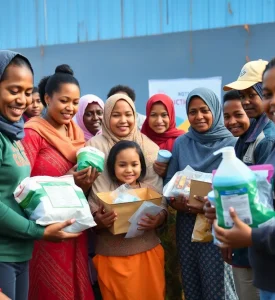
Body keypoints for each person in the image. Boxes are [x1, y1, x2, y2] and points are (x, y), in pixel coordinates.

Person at [213, 52, 275, 300]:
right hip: (273, 280)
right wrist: (225, 209)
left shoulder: (273, 137)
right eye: (268, 93)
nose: (273, 101)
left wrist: (252, 236)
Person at [0, 51, 80, 300]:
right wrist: (38, 232)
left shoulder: (15, 135)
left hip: (21, 253)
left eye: (26, 92)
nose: (22, 100)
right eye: (14, 90)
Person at [22, 64, 98, 300]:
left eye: (75, 102)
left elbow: (80, 186)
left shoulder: (75, 132)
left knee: (78, 285)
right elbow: (22, 184)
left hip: (75, 226)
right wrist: (67, 181)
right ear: (47, 98)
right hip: (46, 231)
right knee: (52, 290)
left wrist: (84, 183)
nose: (70, 108)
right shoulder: (32, 133)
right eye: (64, 100)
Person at [87, 95, 165, 300]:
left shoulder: (147, 147)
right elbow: (91, 199)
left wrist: (160, 216)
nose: (123, 120)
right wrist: (98, 220)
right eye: (116, 114)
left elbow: (160, 197)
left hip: (147, 248)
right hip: (110, 252)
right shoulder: (93, 149)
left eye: (128, 114)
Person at [165, 87, 237, 300]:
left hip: (216, 223)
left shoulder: (232, 144)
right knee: (192, 282)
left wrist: (208, 205)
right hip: (187, 225)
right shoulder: (182, 143)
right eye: (193, 112)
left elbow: (237, 188)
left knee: (219, 286)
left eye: (204, 110)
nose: (199, 117)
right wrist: (178, 202)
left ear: (215, 110)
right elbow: (169, 182)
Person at [141, 93, 184, 299]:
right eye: (153, 115)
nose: (159, 121)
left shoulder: (181, 141)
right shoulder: (140, 140)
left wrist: (168, 172)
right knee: (152, 267)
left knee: (174, 265)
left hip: (175, 213)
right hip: (145, 210)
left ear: (172, 115)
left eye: (164, 115)